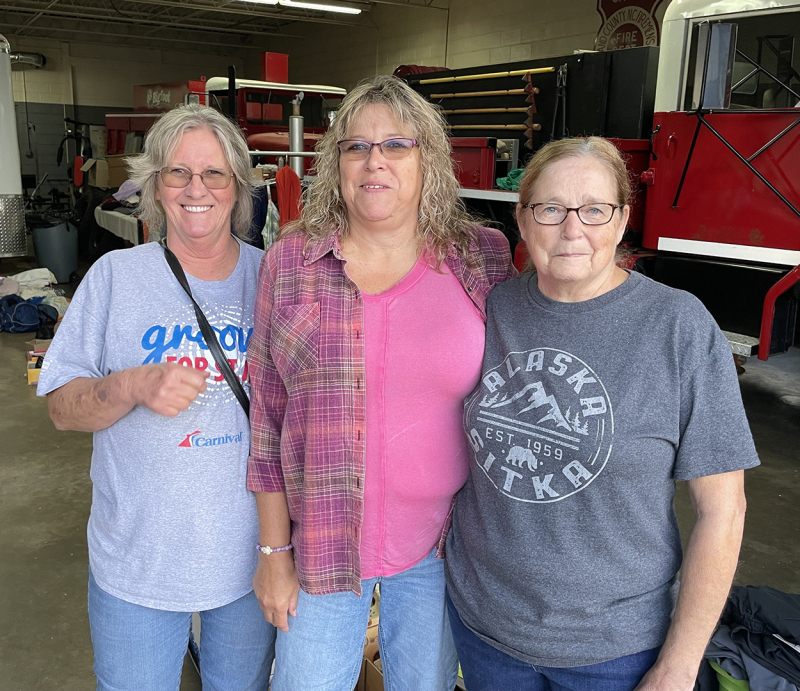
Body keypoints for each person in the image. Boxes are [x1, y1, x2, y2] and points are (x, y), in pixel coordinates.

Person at [444, 136, 761, 691]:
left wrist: (680, 664)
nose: (572, 229)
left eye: (594, 209)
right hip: (485, 630)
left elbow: (723, 512)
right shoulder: (489, 308)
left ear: (621, 220)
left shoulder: (678, 327)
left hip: (618, 651)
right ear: (522, 219)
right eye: (550, 209)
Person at [246, 74, 515, 691]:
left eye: (397, 145)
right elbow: (266, 416)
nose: (375, 162)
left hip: (445, 548)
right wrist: (272, 554)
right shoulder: (293, 261)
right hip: (321, 544)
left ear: (430, 160)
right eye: (356, 146)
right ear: (334, 162)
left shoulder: (482, 257)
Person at [37, 104, 276, 691]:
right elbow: (61, 409)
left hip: (249, 562)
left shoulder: (273, 279)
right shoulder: (115, 276)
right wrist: (130, 384)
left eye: (215, 174)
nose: (197, 189)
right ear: (153, 185)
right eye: (177, 173)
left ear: (239, 188)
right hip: (137, 563)